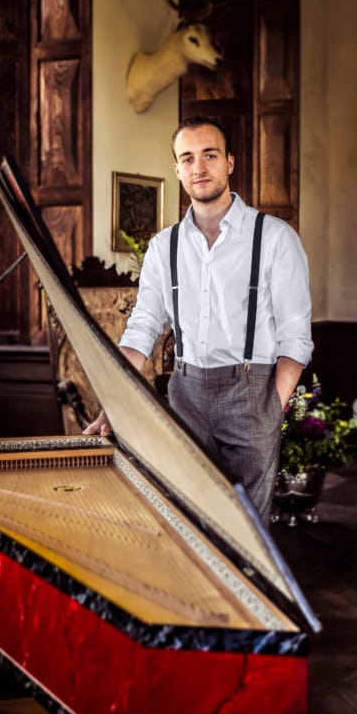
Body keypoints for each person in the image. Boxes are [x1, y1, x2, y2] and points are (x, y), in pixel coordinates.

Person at [85, 115, 313, 524]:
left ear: (230, 162)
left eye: (209, 155)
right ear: (177, 170)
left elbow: (296, 335)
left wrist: (271, 409)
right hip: (185, 393)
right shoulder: (163, 247)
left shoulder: (275, 238)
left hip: (252, 390)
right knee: (188, 523)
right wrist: (114, 401)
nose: (198, 168)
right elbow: (143, 329)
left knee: (247, 530)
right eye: (187, 158)